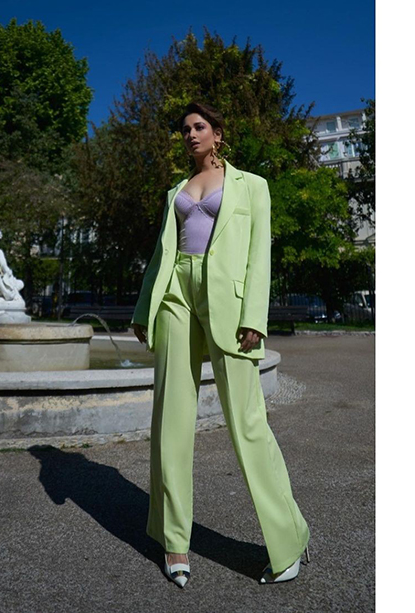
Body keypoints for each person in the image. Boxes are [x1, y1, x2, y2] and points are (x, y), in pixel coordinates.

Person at [131, 101, 310, 588]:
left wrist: (255, 317)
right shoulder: (175, 191)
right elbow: (161, 255)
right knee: (171, 419)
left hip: (228, 303)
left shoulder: (252, 185)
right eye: (184, 129)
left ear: (217, 132)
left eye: (199, 126)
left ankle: (288, 539)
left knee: (248, 422)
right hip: (175, 295)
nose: (190, 134)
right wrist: (144, 308)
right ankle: (173, 541)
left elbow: (258, 255)